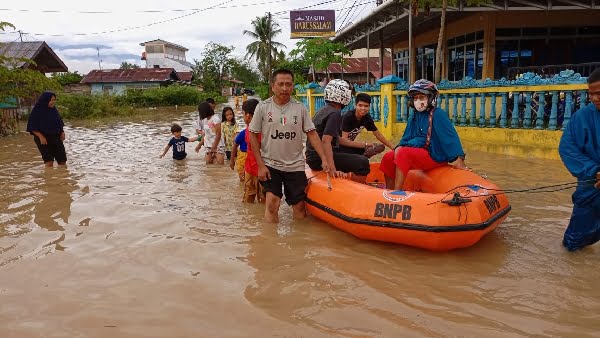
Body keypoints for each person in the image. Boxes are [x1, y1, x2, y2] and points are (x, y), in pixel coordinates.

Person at [248, 68, 331, 223]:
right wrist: (260, 165)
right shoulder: (263, 107)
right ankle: (270, 243)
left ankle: (299, 244)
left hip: (296, 165)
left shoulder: (300, 108)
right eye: (281, 84)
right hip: (270, 164)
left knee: (299, 207)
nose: (285, 88)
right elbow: (252, 134)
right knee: (272, 203)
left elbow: (312, 133)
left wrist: (324, 159)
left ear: (293, 86)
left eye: (288, 84)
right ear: (273, 86)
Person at [379, 79, 467, 190]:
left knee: (403, 153)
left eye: (421, 97)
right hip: (419, 152)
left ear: (431, 98)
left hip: (435, 155)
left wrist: (459, 160)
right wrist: (398, 147)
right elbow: (407, 137)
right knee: (388, 157)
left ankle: (397, 192)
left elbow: (450, 138)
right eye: (415, 98)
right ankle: (388, 190)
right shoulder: (414, 115)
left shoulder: (438, 114)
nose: (417, 101)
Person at [558, 67, 600, 251]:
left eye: (599, 93)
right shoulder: (581, 117)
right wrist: (593, 171)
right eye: (591, 94)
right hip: (590, 184)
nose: (595, 98)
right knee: (573, 242)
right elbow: (568, 148)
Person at [305, 79, 371, 184]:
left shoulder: (324, 110)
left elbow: (336, 139)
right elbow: (326, 141)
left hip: (313, 156)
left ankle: (348, 175)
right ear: (345, 95)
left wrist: (365, 145)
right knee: (363, 163)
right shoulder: (335, 114)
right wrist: (332, 168)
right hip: (319, 158)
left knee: (360, 152)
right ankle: (358, 188)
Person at [339, 93, 395, 158]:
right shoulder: (348, 117)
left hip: (349, 147)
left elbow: (378, 135)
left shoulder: (366, 118)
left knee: (379, 147)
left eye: (366, 106)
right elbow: (344, 141)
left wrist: (393, 148)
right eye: (360, 105)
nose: (363, 108)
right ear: (355, 105)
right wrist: (365, 145)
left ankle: (360, 157)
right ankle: (358, 158)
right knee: (363, 158)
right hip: (338, 147)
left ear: (369, 106)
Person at [26, 91, 67, 167]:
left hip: (56, 137)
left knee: (62, 161)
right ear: (45, 100)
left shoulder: (54, 110)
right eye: (51, 100)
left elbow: (59, 122)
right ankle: (48, 177)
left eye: (54, 100)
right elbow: (32, 126)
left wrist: (62, 132)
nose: (53, 102)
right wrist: (41, 137)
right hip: (42, 138)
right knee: (49, 162)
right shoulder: (37, 111)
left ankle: (61, 177)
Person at [238, 99, 265, 203]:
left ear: (248, 115)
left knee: (248, 199)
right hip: (258, 168)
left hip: (255, 169)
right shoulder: (264, 128)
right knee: (263, 199)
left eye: (243, 113)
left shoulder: (251, 130)